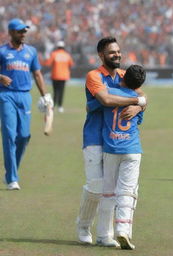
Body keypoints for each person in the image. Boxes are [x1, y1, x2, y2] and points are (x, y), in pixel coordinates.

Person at [76, 37, 146, 247]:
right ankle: (83, 225)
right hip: (94, 137)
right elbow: (106, 100)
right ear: (101, 55)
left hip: (113, 141)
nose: (117, 55)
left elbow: (143, 95)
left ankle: (104, 235)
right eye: (111, 52)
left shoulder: (125, 75)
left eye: (118, 51)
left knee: (111, 189)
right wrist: (136, 101)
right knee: (96, 186)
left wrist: (140, 105)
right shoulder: (94, 76)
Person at [0, 18, 53, 190]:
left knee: (23, 136)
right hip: (6, 95)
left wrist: (45, 96)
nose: (23, 34)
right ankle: (12, 178)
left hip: (24, 96)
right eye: (19, 31)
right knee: (9, 135)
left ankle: (11, 171)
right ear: (11, 33)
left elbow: (37, 74)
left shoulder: (31, 51)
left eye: (24, 31)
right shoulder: (2, 51)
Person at [101, 64, 146, 250]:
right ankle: (123, 230)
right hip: (132, 149)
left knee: (109, 192)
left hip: (110, 148)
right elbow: (140, 119)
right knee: (127, 191)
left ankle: (105, 233)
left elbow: (93, 105)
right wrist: (139, 104)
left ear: (124, 76)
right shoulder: (137, 100)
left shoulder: (110, 92)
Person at [41, 41, 74, 113]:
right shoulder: (67, 55)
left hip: (55, 75)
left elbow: (48, 63)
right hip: (64, 76)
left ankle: (53, 106)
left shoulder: (54, 54)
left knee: (55, 91)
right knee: (62, 91)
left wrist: (42, 61)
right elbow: (71, 64)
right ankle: (60, 107)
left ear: (57, 47)